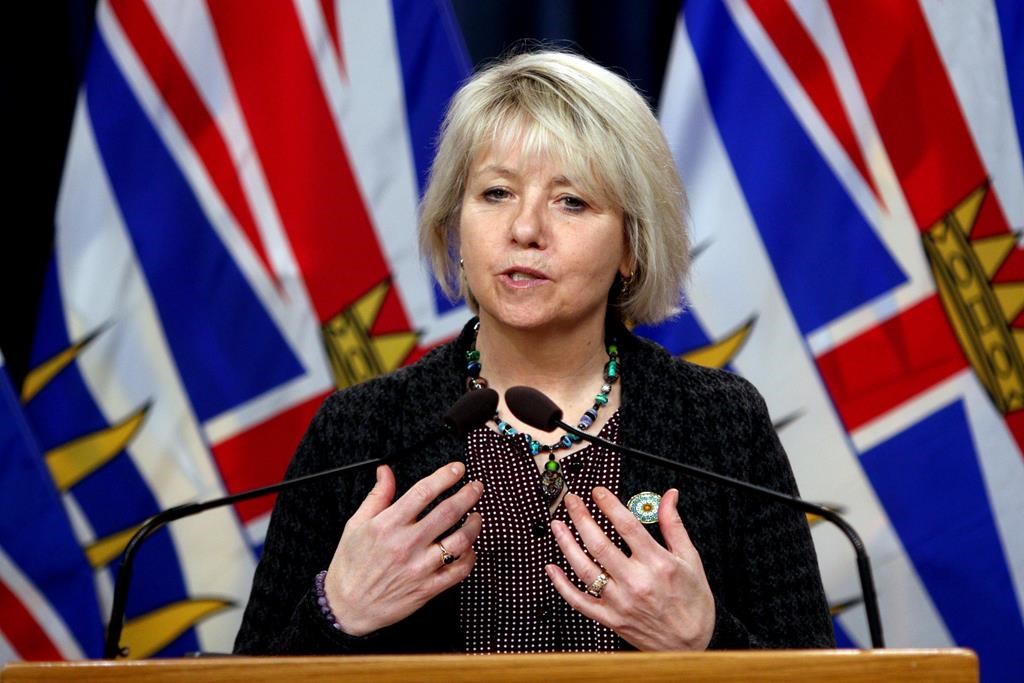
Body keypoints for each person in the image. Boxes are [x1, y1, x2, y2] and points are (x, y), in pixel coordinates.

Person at [234, 50, 834, 655]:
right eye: (496, 193)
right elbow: (248, 673)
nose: (524, 229)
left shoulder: (720, 425)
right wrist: (335, 613)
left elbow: (816, 674)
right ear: (456, 228)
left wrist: (705, 642)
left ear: (631, 247)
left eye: (571, 201)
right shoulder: (359, 432)